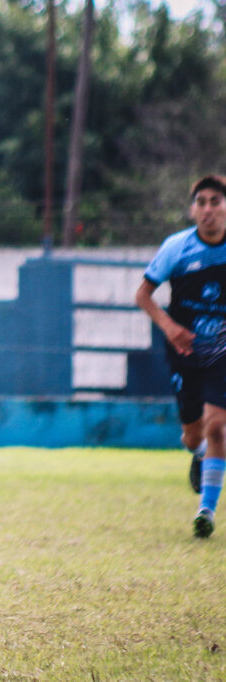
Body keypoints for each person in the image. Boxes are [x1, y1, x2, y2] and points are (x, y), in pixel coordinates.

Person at [136, 174, 226, 539]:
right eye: (201, 202)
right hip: (184, 352)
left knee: (219, 426)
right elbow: (143, 295)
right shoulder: (177, 247)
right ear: (193, 210)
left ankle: (206, 510)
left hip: (222, 353)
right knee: (192, 435)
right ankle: (200, 452)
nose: (208, 209)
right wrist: (169, 326)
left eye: (215, 201)